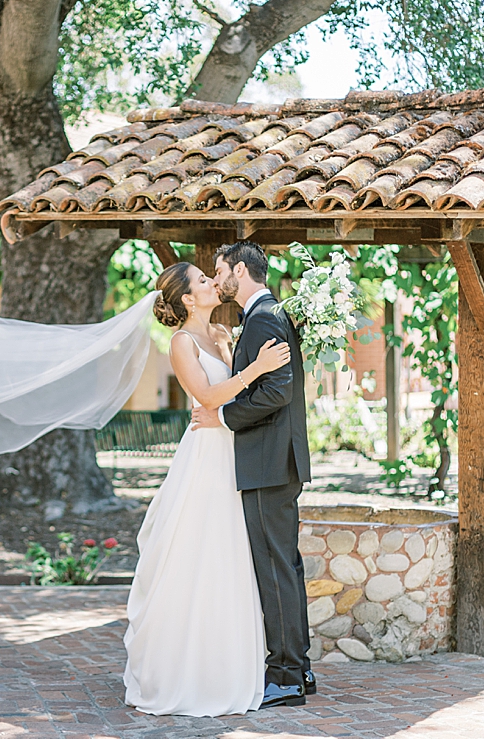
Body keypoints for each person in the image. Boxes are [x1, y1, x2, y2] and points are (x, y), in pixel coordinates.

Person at [123, 261, 292, 717]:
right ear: (186, 299)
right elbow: (208, 395)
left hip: (233, 449)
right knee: (199, 553)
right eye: (202, 280)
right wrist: (256, 368)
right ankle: (187, 671)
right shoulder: (181, 343)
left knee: (232, 556)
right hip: (205, 456)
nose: (211, 283)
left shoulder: (222, 334)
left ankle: (228, 666)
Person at [191, 240, 314, 708]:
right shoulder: (266, 315)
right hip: (273, 460)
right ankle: (297, 669)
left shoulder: (263, 317)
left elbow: (276, 393)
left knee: (275, 567)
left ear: (239, 271)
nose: (216, 278)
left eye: (219, 270)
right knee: (285, 565)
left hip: (267, 461)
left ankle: (283, 675)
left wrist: (221, 418)